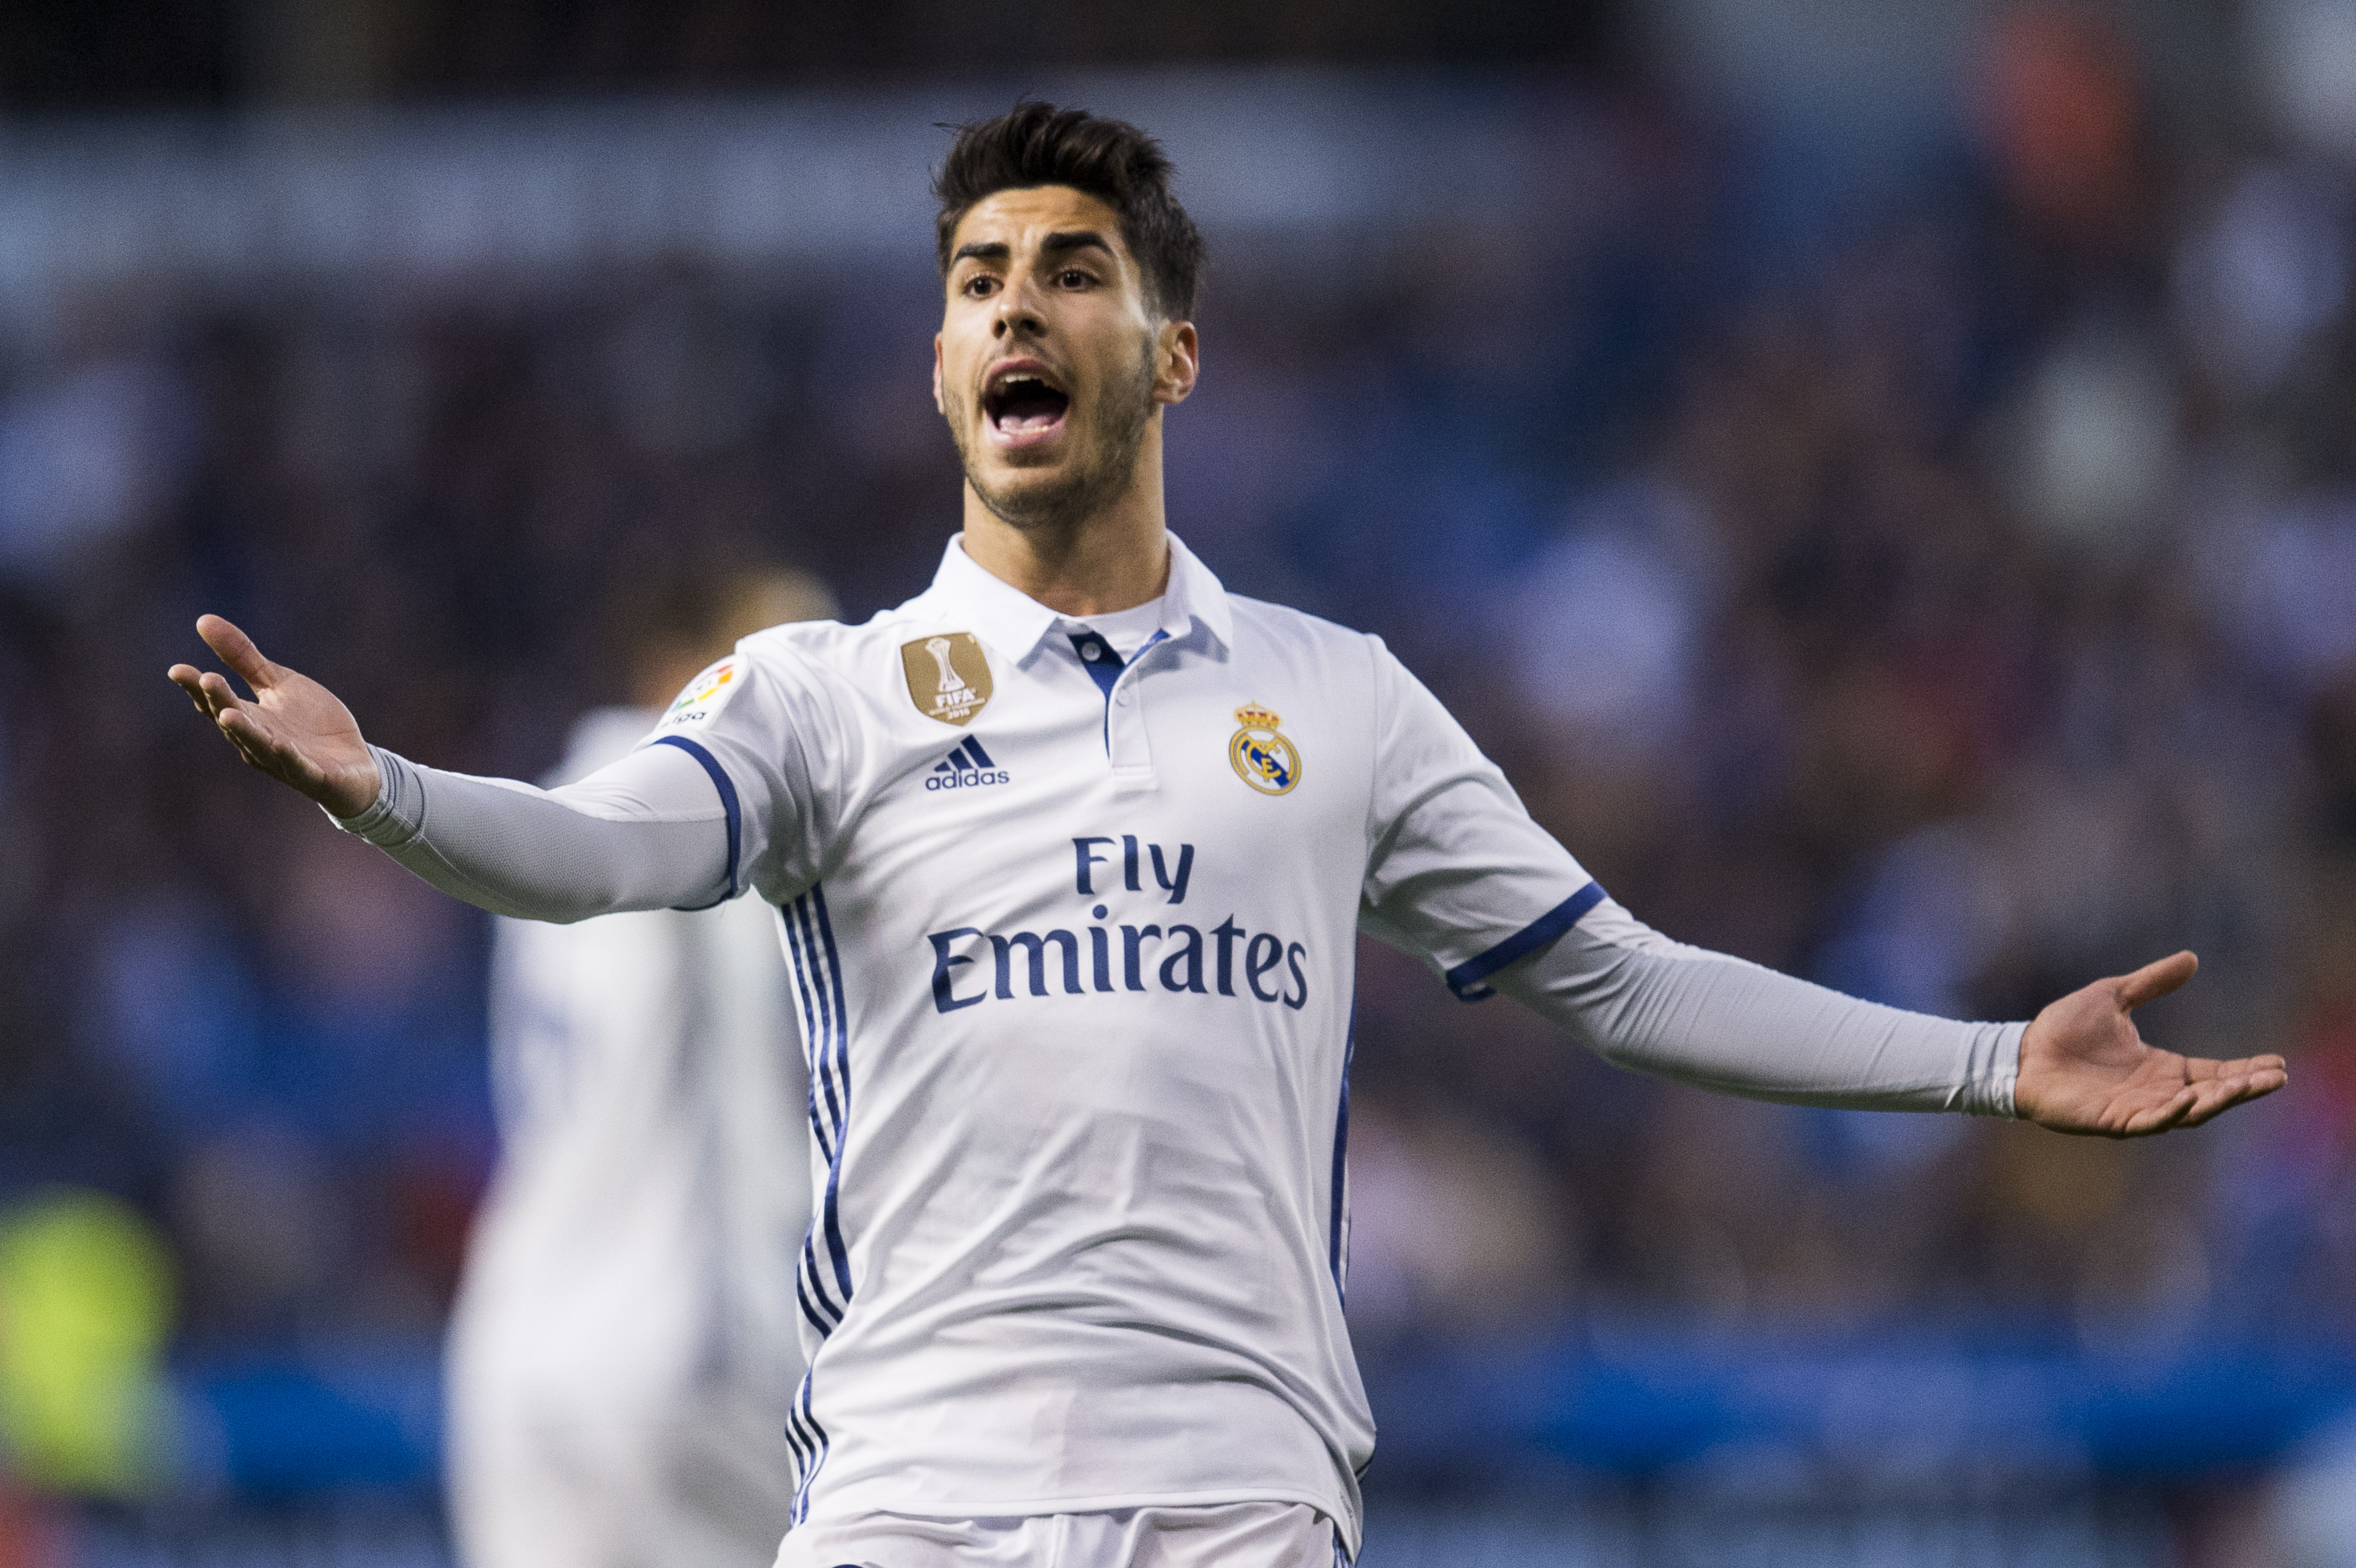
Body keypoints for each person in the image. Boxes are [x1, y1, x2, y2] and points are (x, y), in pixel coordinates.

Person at [168, 103, 2287, 1568]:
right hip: (915, 1491)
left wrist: (1987, 1061)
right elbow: (600, 850)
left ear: (1168, 353)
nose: (1013, 307)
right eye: (979, 278)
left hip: (1235, 1491)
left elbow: (1622, 980)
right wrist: (391, 795)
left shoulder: (1335, 693)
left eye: (1069, 273)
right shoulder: (815, 693)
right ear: (934, 363)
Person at [445, 568, 836, 1568]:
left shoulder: (554, 808)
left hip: (520, 1357)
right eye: (783, 650)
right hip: (690, 1368)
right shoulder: (705, 828)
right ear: (686, 668)